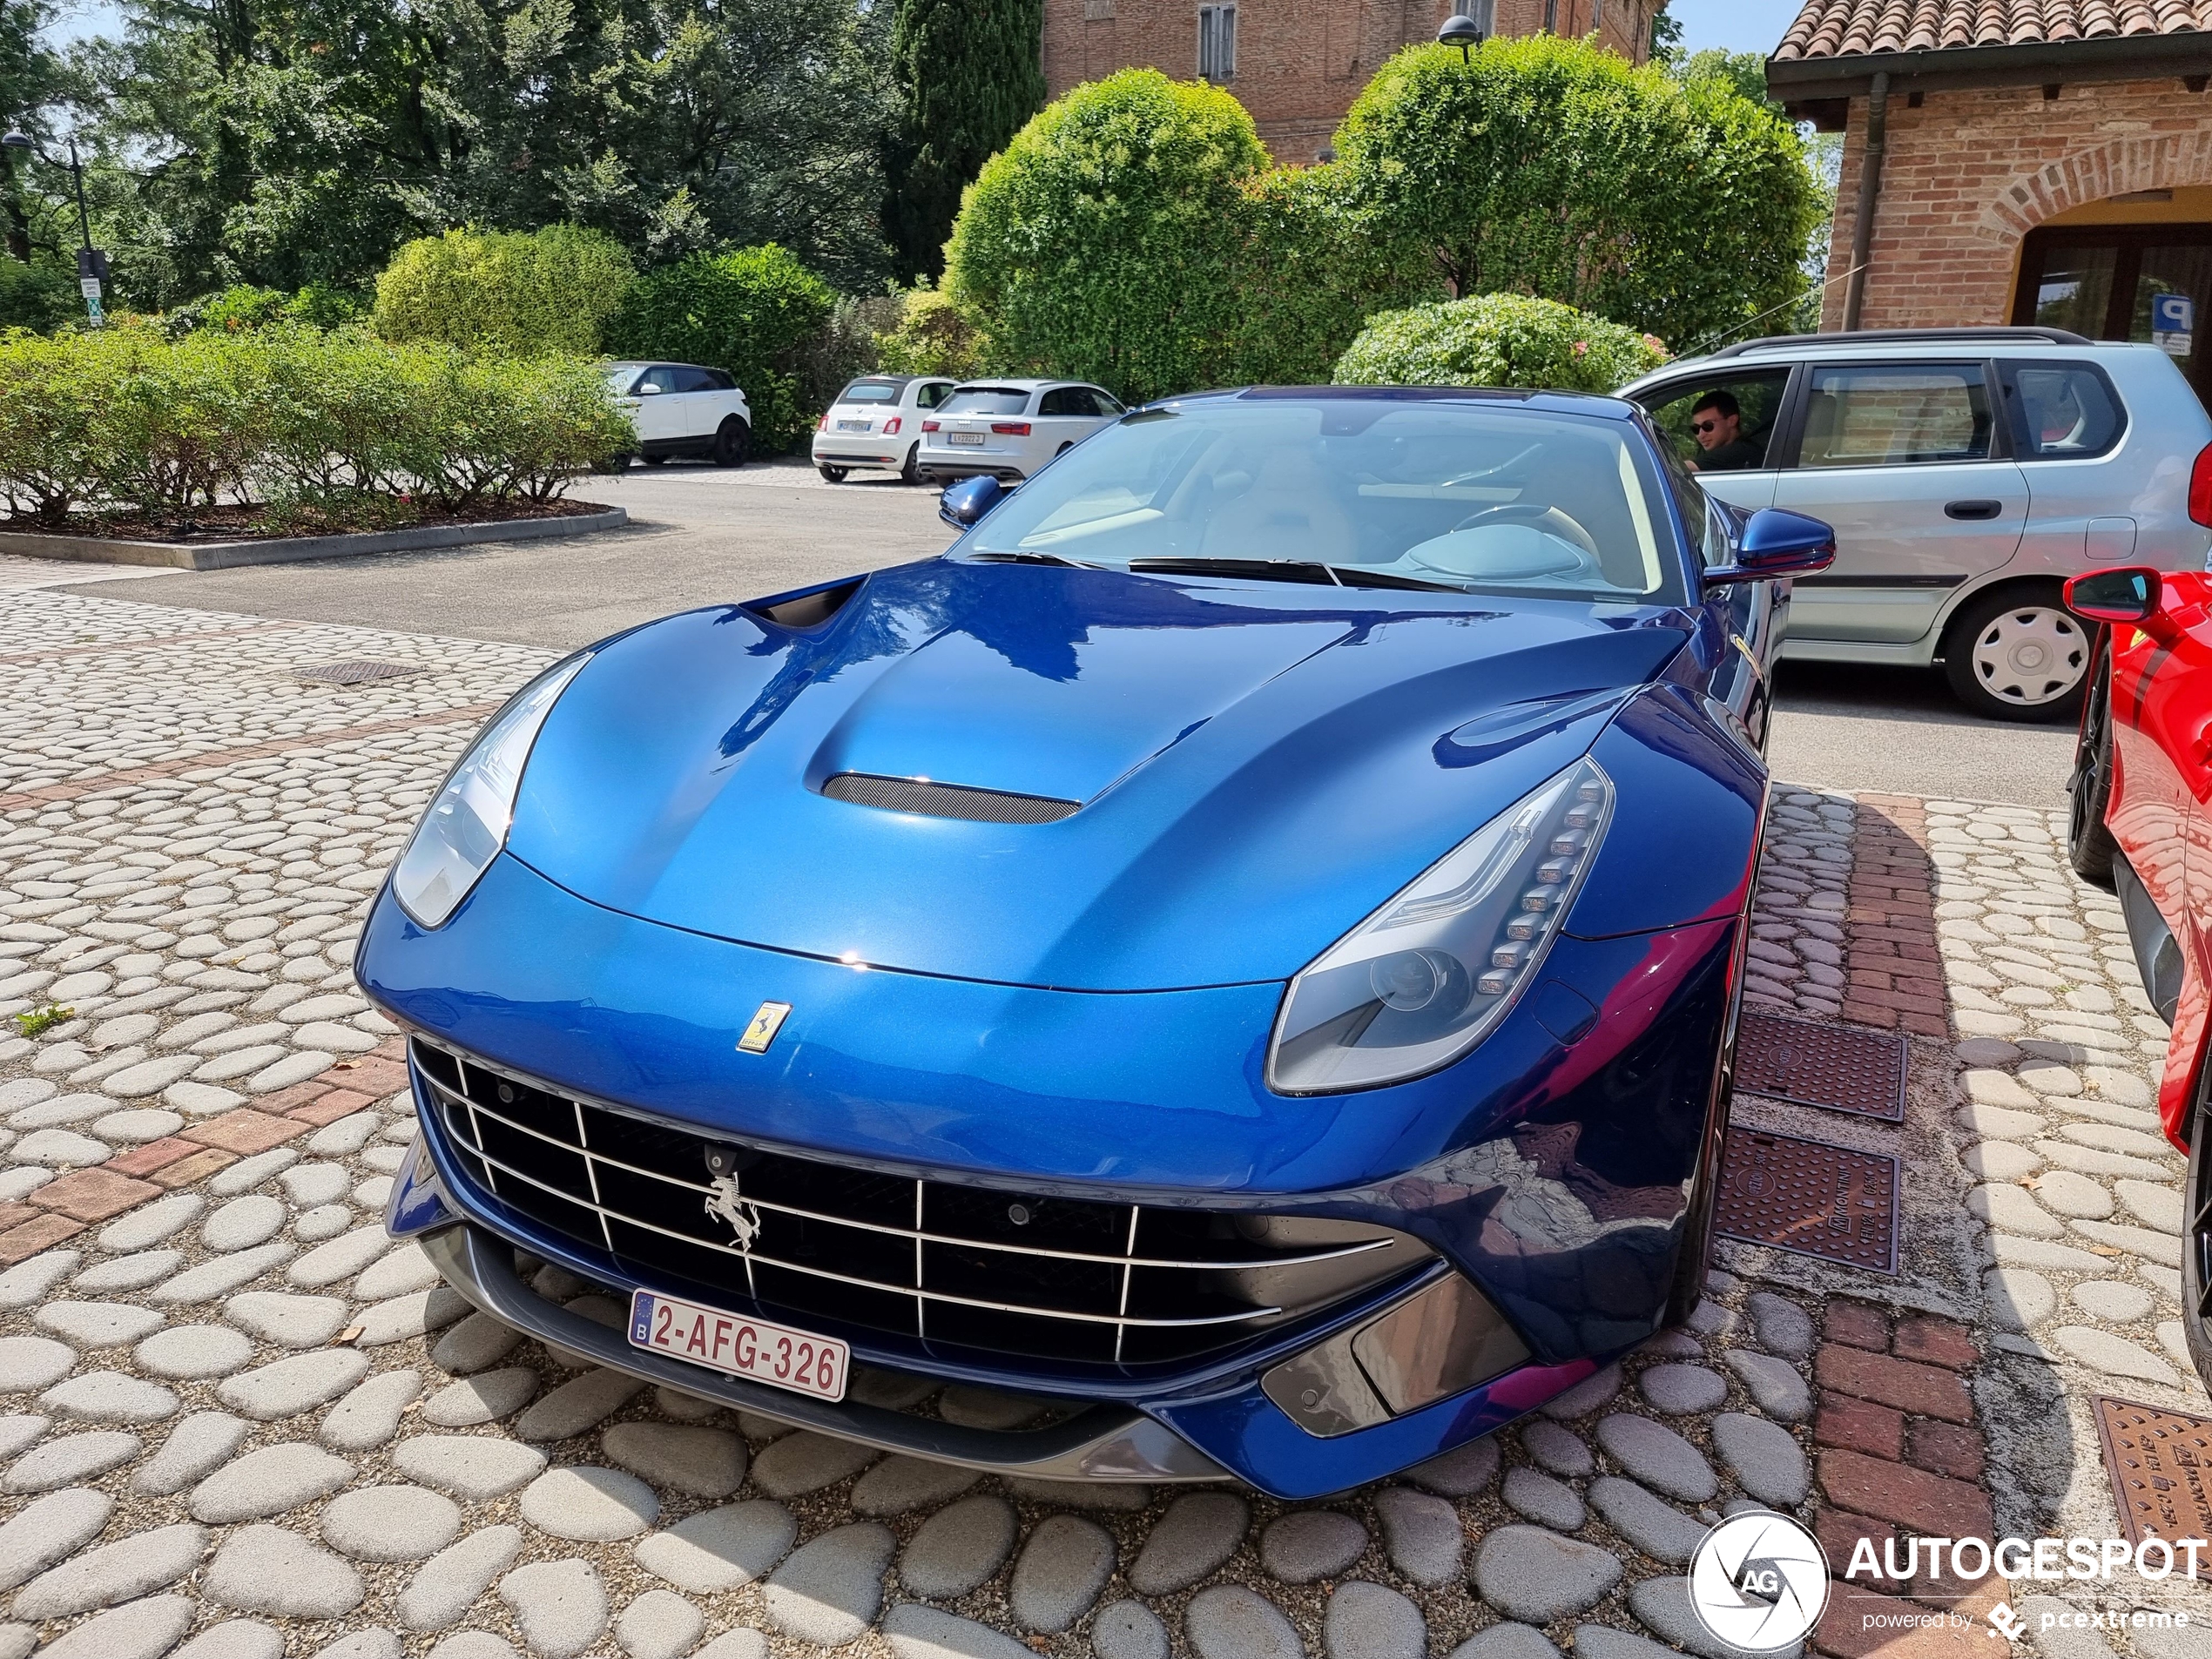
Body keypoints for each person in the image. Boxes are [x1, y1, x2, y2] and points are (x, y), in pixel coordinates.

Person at [1686, 390, 1764, 472]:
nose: (1701, 435)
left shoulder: (1740, 451)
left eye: (1708, 426)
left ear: (1732, 421)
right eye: (1696, 428)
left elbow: (1683, 469)